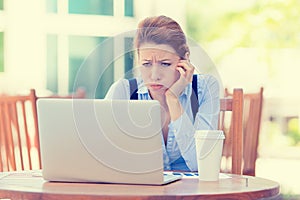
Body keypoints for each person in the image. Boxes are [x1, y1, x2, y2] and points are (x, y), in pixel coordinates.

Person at [105, 15, 220, 172]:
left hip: (190, 192)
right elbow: (102, 157)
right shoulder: (123, 91)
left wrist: (173, 99)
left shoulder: (205, 88)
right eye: (146, 64)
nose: (154, 75)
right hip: (139, 189)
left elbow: (200, 163)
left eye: (165, 64)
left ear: (184, 61)